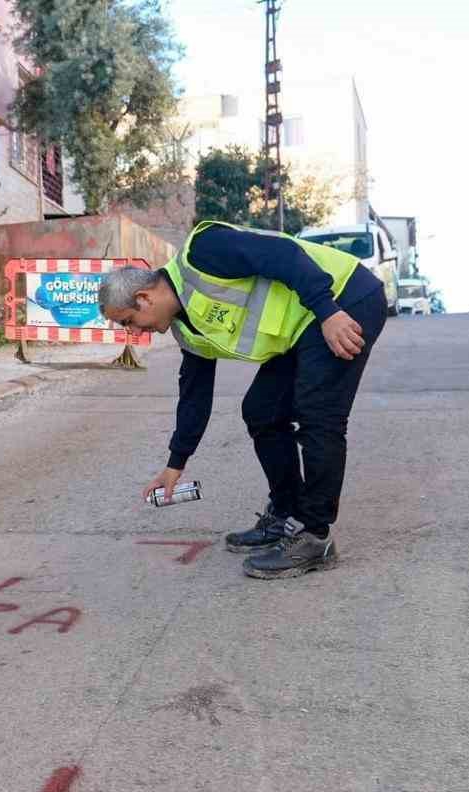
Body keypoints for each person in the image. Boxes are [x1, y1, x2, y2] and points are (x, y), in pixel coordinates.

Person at [97, 220, 387, 579]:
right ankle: (284, 514)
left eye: (129, 321)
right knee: (261, 411)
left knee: (319, 417)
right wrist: (176, 463)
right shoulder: (184, 327)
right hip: (300, 328)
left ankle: (316, 536)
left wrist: (328, 312)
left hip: (343, 299)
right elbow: (194, 396)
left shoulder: (202, 252)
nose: (134, 332)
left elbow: (284, 254)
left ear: (143, 298)